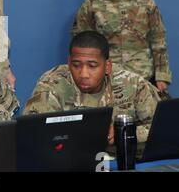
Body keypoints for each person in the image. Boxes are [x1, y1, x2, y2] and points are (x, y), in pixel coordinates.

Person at [23, 31, 160, 144]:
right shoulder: (52, 85)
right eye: (76, 65)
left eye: (92, 66)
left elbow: (162, 127)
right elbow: (33, 134)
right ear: (69, 63)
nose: (83, 74)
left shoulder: (131, 84)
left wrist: (125, 132)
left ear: (107, 67)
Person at [72, 0, 172, 93]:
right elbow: (81, 40)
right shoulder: (92, 3)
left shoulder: (145, 0)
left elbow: (158, 39)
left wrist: (162, 76)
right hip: (108, 78)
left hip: (142, 75)